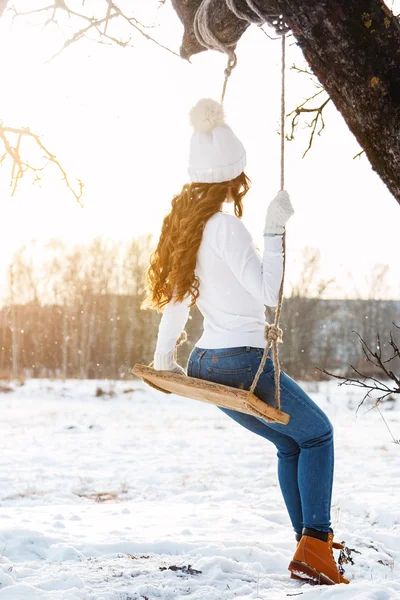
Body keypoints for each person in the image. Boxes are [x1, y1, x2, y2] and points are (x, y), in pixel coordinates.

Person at [145, 98, 349, 585]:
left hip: (205, 361)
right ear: (234, 177)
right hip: (241, 362)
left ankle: (310, 546)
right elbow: (268, 293)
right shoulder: (225, 227)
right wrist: (274, 230)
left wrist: (162, 357)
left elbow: (176, 300)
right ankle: (315, 544)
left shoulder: (190, 230)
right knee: (318, 435)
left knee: (291, 446)